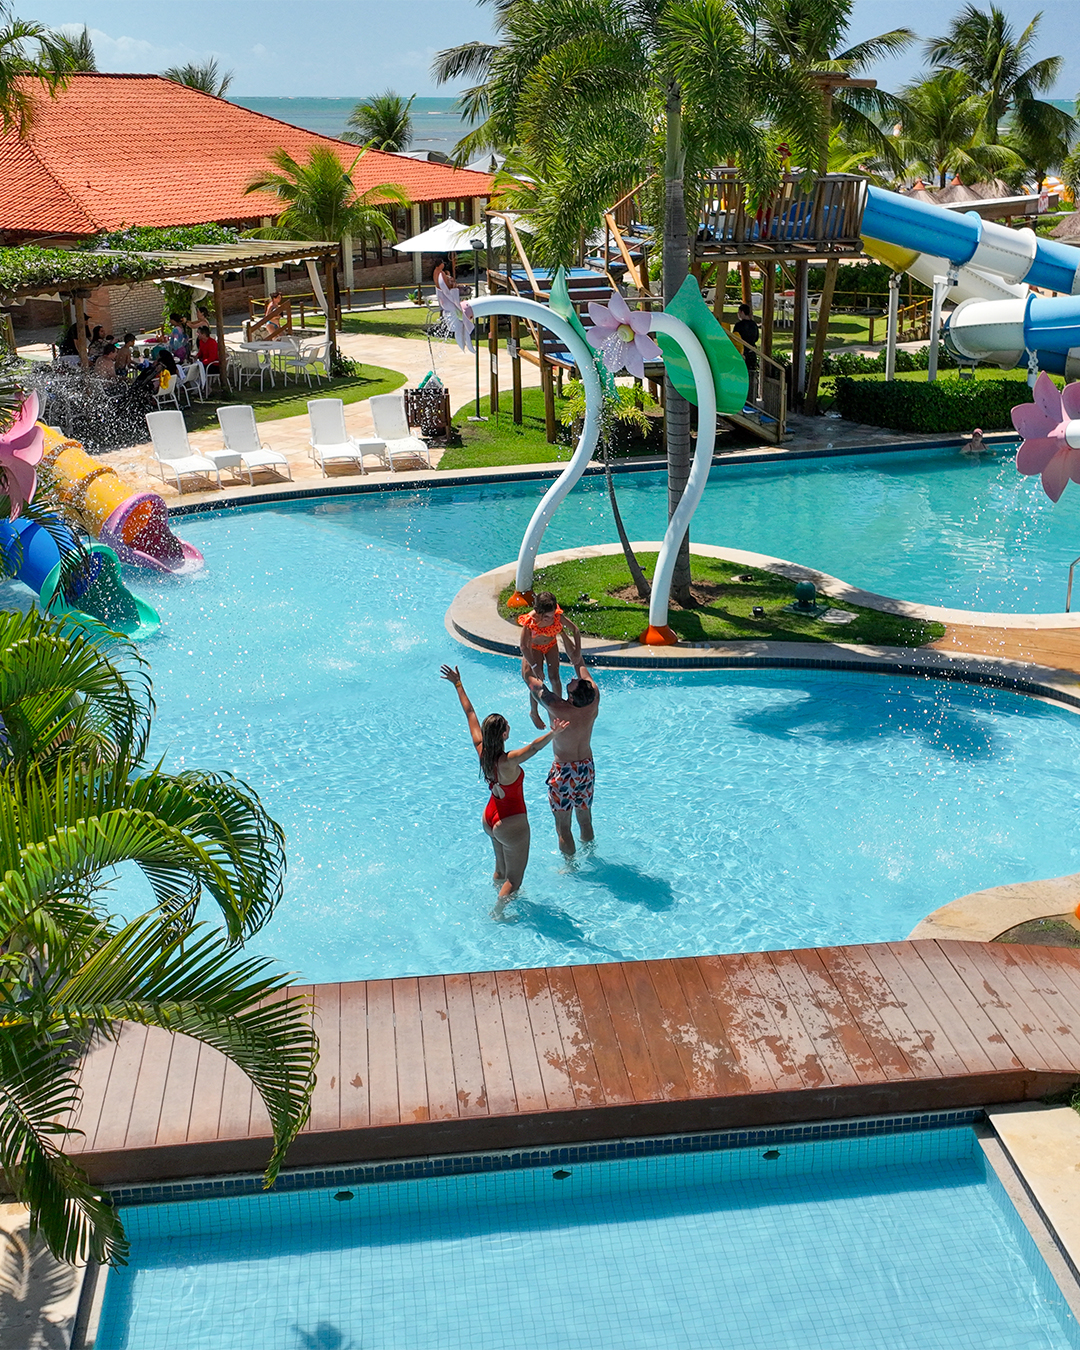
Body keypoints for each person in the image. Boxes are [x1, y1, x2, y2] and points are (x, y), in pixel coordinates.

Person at [440, 663, 564, 916]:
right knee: (514, 881)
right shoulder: (508, 760)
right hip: (511, 823)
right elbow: (533, 748)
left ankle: (496, 892)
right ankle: (497, 912)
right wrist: (554, 733)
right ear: (504, 734)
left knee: (501, 870)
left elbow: (470, 713)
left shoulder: (482, 751)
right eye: (507, 727)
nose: (510, 728)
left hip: (490, 817)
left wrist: (458, 684)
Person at [520, 624, 600, 857]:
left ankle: (570, 867)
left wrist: (528, 648)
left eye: (573, 684)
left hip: (563, 771)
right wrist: (572, 647)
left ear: (572, 697)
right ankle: (590, 855)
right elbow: (580, 664)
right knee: (585, 820)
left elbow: (529, 678)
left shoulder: (557, 706)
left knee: (563, 827)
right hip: (586, 768)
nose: (574, 679)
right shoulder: (593, 698)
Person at [518, 591, 580, 730]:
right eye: (546, 617)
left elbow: (575, 630)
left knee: (555, 678)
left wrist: (577, 651)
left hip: (551, 645)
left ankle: (557, 711)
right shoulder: (530, 621)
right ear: (538, 612)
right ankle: (534, 712)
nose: (550, 619)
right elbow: (523, 646)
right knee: (537, 682)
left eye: (552, 616)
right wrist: (535, 666)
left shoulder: (556, 615)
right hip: (535, 648)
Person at [732, 302, 760, 397]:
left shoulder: (739, 326)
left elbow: (735, 338)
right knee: (751, 376)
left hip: (741, 353)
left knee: (741, 376)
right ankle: (751, 396)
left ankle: (740, 396)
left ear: (742, 312)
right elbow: (756, 338)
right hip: (752, 352)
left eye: (739, 312)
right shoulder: (754, 325)